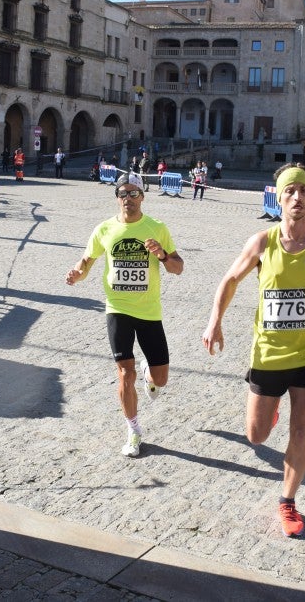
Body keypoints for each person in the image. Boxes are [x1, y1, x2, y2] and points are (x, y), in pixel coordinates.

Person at [201, 163, 305, 538]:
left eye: (304, 191)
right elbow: (229, 279)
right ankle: (269, 412)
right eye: (290, 192)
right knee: (256, 435)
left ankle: (288, 500)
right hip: (268, 353)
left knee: (302, 432)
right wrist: (215, 321)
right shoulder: (262, 243)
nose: (297, 197)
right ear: (279, 198)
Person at [66, 175, 184, 456]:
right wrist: (76, 274)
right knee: (124, 374)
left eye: (134, 193)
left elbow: (178, 268)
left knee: (162, 379)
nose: (128, 198)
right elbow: (86, 262)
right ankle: (133, 429)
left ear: (143, 196)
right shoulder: (104, 229)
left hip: (149, 311)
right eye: (123, 193)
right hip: (117, 308)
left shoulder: (156, 228)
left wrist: (164, 255)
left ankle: (148, 372)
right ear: (117, 198)